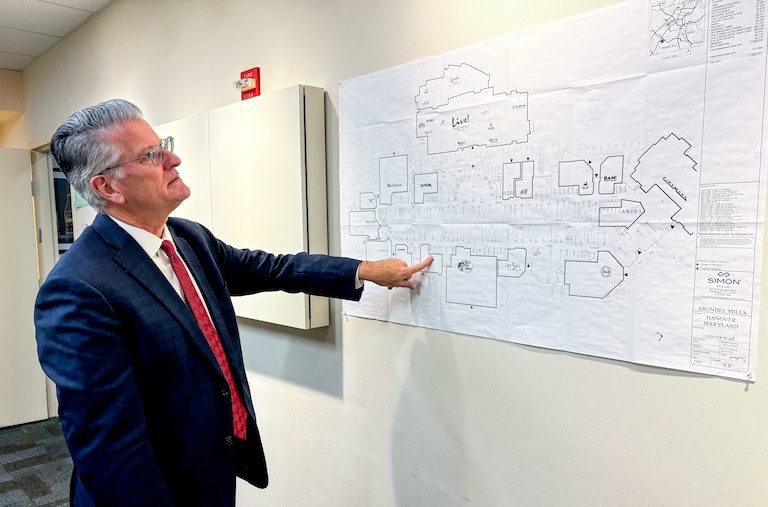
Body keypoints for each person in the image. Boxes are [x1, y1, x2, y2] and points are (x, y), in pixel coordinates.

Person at [34, 98, 432, 507]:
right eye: (152, 155)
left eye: (163, 145)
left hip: (211, 465)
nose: (174, 158)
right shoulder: (79, 289)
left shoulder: (188, 239)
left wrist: (363, 270)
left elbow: (272, 269)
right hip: (156, 489)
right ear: (107, 187)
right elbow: (109, 447)